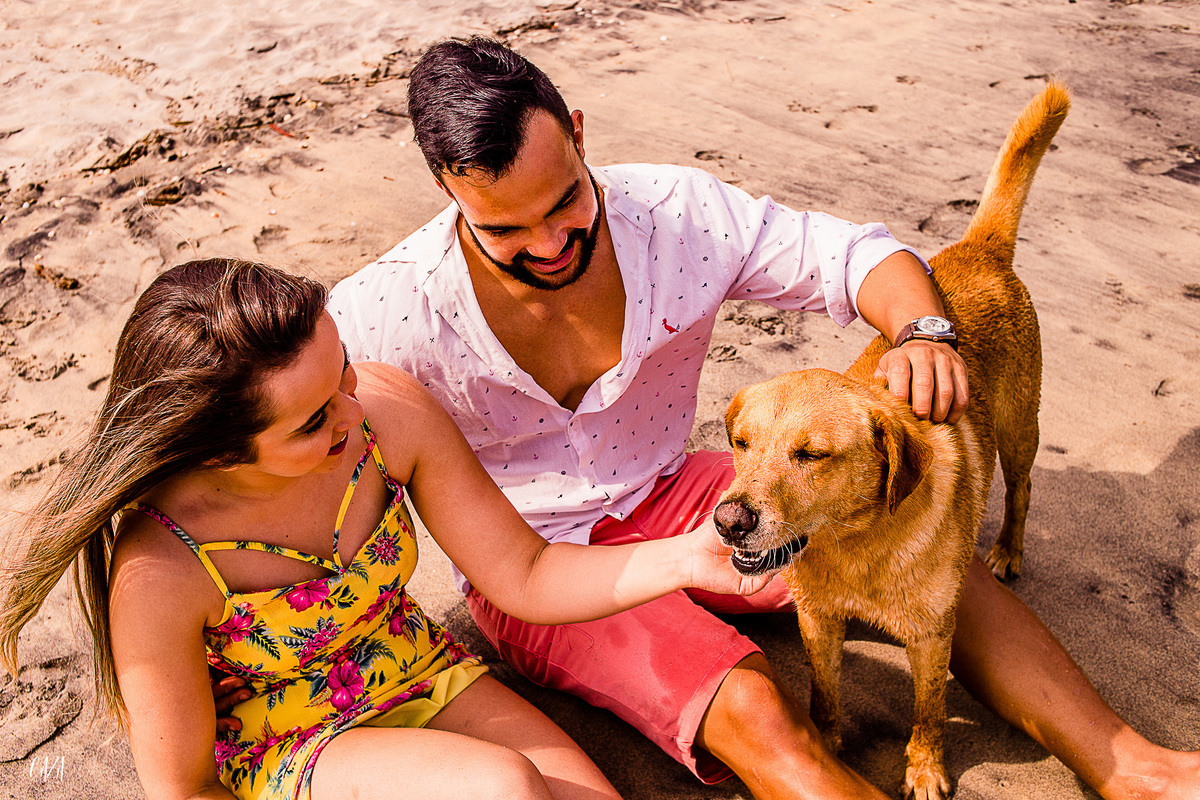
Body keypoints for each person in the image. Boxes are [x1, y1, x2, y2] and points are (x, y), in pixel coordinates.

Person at [323, 36, 1200, 800]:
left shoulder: (675, 217)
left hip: (677, 490)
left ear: (580, 134)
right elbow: (250, 416)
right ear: (447, 188)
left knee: (924, 556)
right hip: (540, 563)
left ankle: (1134, 766)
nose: (552, 245)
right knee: (751, 701)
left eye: (565, 202)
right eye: (508, 228)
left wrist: (924, 330)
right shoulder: (389, 312)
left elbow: (852, 254)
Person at [0, 258, 777, 800]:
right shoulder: (161, 566)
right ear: (217, 450)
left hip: (416, 669)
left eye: (341, 370)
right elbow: (184, 786)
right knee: (498, 789)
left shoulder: (384, 411)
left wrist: (683, 559)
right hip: (283, 747)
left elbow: (526, 574)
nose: (350, 409)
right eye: (312, 421)